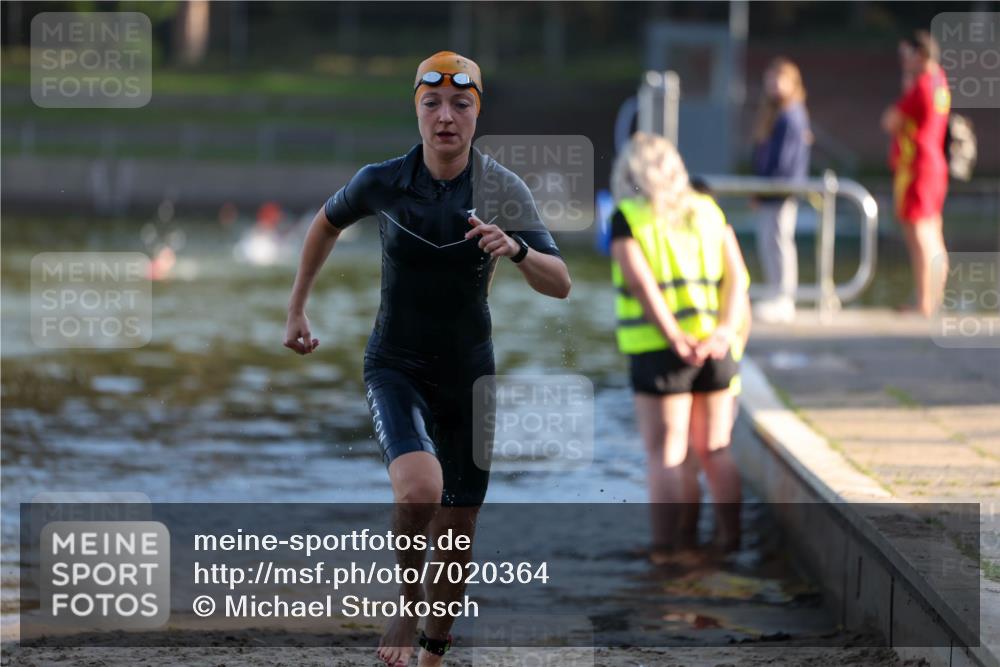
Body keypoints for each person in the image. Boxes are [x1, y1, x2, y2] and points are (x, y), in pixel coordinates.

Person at [284, 51, 571, 667]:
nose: (446, 117)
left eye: (460, 105)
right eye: (432, 104)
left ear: (477, 112)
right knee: (420, 490)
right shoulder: (381, 181)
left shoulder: (501, 188)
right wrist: (297, 308)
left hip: (470, 374)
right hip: (396, 363)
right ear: (415, 109)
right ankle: (406, 608)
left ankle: (435, 653)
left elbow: (561, 282)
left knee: (458, 534)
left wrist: (516, 250)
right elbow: (325, 224)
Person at [609, 132, 749, 556]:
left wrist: (674, 337)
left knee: (666, 455)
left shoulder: (629, 216)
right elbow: (738, 277)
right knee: (714, 451)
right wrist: (724, 330)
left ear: (633, 172)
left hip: (662, 351)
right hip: (716, 349)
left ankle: (667, 550)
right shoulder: (708, 210)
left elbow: (640, 282)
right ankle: (728, 542)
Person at [881, 30, 951, 317]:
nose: (903, 61)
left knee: (919, 234)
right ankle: (932, 298)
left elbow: (890, 121)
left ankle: (924, 301)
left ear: (920, 55)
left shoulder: (921, 84)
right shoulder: (940, 81)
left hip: (917, 167)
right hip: (934, 165)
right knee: (933, 232)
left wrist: (907, 86)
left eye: (906, 55)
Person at [750, 57, 811, 324]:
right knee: (769, 241)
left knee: (779, 242)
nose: (774, 85)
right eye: (770, 79)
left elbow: (784, 162)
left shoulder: (791, 115)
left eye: (780, 79)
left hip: (780, 191)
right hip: (770, 191)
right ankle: (777, 293)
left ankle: (784, 299)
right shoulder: (775, 112)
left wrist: (765, 190)